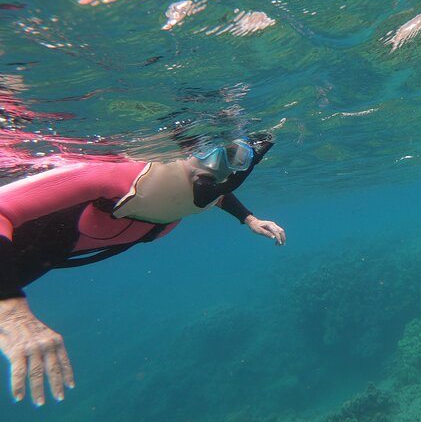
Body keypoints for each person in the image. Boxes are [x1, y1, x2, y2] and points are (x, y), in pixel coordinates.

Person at [0, 132, 285, 406]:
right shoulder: (119, 175)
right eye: (209, 154)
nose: (217, 169)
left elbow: (214, 194)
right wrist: (10, 308)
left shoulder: (197, 185)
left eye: (235, 159)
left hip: (44, 256)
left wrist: (249, 219)